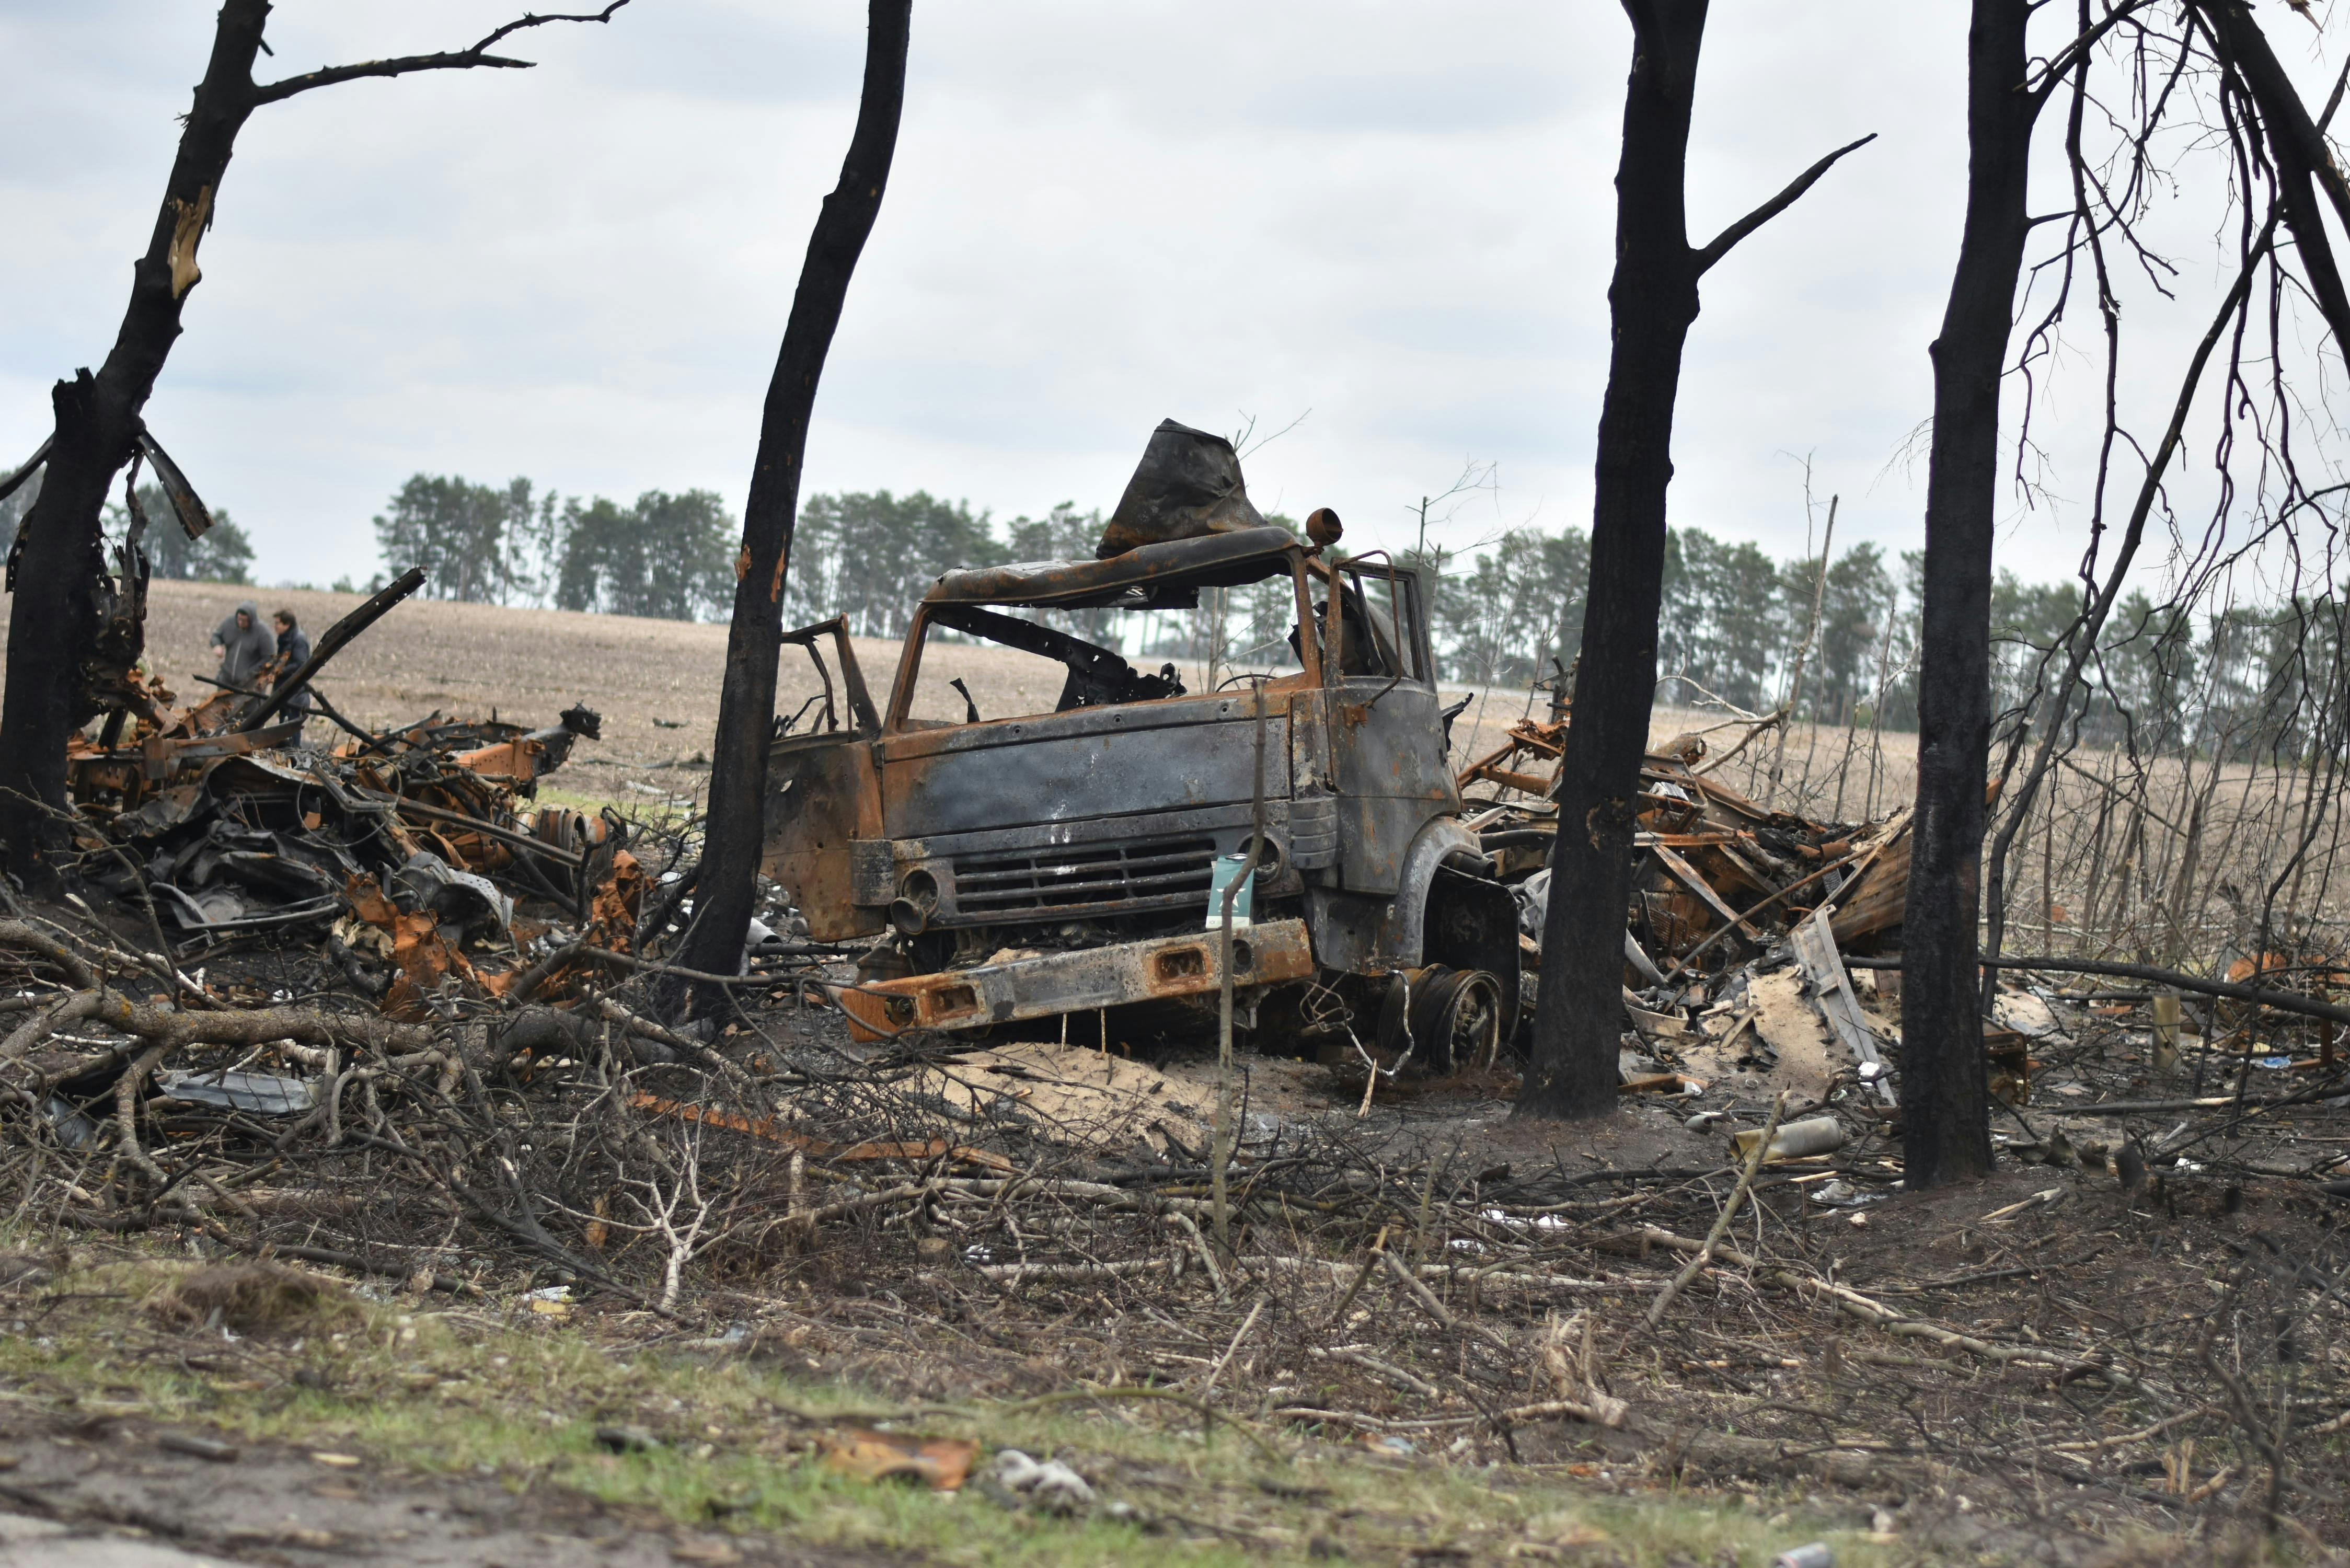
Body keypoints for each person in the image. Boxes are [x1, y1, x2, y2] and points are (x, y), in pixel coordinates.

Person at [210, 602, 275, 689]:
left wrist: (251, 672)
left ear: (251, 620)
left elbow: (269, 658)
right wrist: (216, 645)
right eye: (239, 619)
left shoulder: (263, 633)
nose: (240, 623)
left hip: (249, 687)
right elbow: (216, 636)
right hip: (225, 682)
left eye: (244, 621)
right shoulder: (229, 623)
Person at [272, 608, 313, 732]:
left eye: (277, 623)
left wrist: (279, 671)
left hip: (295, 693)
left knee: (292, 730)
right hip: (285, 691)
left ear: (287, 624)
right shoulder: (284, 639)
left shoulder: (298, 639)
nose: (275, 626)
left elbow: (300, 664)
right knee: (283, 729)